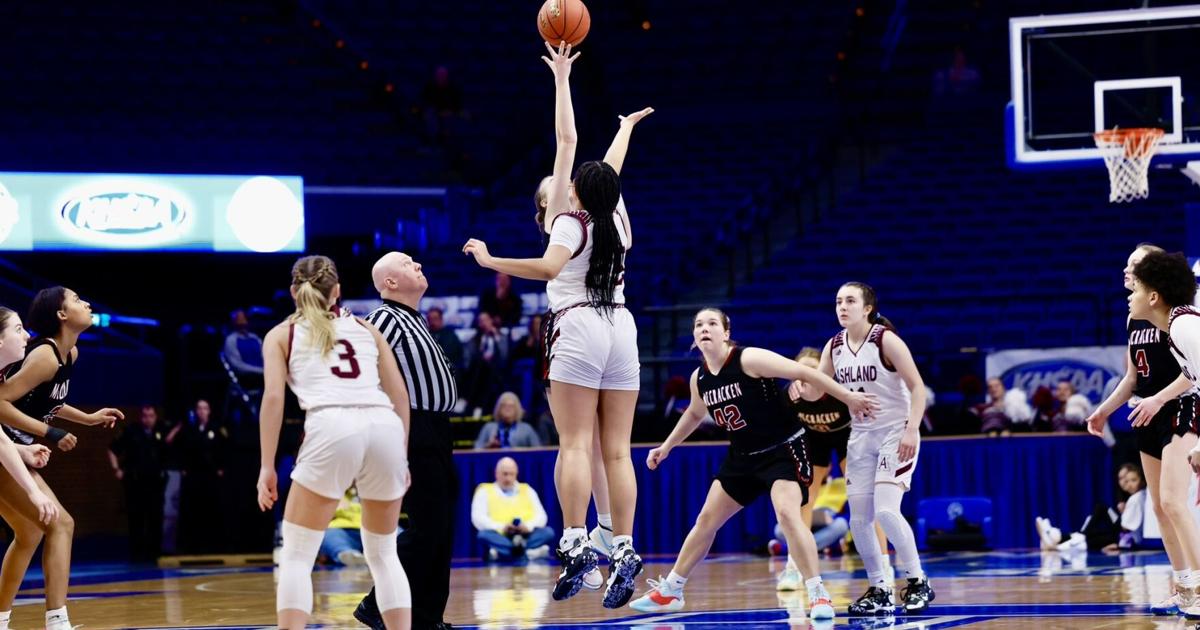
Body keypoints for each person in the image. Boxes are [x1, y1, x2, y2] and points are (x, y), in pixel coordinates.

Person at [463, 41, 653, 608]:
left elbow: (566, 142)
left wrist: (494, 261)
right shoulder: (612, 208)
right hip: (622, 325)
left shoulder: (566, 221)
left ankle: (573, 542)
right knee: (615, 450)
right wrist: (624, 128)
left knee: (573, 443)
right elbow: (606, 163)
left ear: (568, 192)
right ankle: (621, 544)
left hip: (576, 324)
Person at [628, 308, 877, 619]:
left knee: (787, 514)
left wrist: (848, 397)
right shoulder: (700, 378)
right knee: (706, 520)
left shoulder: (749, 359)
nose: (704, 328)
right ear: (694, 336)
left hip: (783, 448)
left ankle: (818, 594)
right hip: (743, 455)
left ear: (726, 331)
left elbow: (806, 373)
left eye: (712, 324)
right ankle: (672, 590)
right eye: (699, 325)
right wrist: (666, 447)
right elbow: (694, 413)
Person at [255, 255, 412, 630]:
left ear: (294, 292)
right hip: (383, 424)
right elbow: (400, 396)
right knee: (384, 553)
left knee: (295, 555)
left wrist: (266, 466)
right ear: (337, 291)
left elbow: (274, 400)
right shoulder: (365, 327)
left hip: (332, 424)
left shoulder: (281, 334)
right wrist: (402, 457)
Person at [802, 282, 935, 615]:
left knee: (887, 511)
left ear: (867, 308)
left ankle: (918, 580)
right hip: (861, 436)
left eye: (850, 301)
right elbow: (817, 392)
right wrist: (796, 386)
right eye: (838, 301)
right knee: (858, 521)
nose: (842, 307)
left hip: (896, 432)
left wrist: (911, 429)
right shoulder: (833, 345)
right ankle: (879, 588)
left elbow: (918, 387)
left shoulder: (885, 340)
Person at [0, 289, 122, 630]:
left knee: (29, 533)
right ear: (61, 315)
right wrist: (50, 433)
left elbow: (45, 402)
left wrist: (88, 418)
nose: (87, 303)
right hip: (5, 446)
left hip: (14, 447)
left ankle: (1, 619)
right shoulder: (46, 356)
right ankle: (57, 621)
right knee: (60, 524)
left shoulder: (70, 354)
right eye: (77, 299)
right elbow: (0, 403)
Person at [357, 251, 459, 630]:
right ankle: (376, 603)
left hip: (437, 429)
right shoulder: (384, 318)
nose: (417, 264)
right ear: (390, 283)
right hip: (411, 428)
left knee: (442, 528)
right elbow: (367, 374)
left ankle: (428, 617)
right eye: (406, 263)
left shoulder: (415, 320)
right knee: (427, 526)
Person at [1123, 248, 1200, 619]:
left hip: (1185, 416)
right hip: (1172, 413)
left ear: (1154, 296)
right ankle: (1190, 589)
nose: (1129, 294)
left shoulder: (1185, 325)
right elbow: (1192, 377)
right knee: (1166, 503)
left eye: (1135, 287)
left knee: (1172, 502)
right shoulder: (1173, 329)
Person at [780, 347, 888, 592]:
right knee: (803, 502)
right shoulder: (790, 396)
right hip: (813, 439)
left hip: (848, 437)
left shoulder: (839, 390)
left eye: (812, 369)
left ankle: (884, 567)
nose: (805, 375)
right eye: (800, 370)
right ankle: (793, 569)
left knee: (863, 500)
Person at [107, 404, 165, 562]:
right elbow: (112, 449)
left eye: (151, 416)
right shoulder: (132, 431)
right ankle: (137, 554)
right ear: (141, 417)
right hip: (135, 482)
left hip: (155, 483)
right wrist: (116, 469)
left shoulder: (160, 431)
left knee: (155, 517)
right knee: (136, 519)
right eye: (145, 416)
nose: (148, 419)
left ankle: (155, 553)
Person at [471, 457, 555, 562]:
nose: (508, 478)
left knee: (548, 532)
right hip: (501, 536)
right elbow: (478, 519)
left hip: (525, 535)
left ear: (516, 474)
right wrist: (502, 527)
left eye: (511, 474)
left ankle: (503, 552)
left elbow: (541, 516)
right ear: (496, 473)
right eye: (505, 474)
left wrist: (528, 527)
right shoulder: (484, 491)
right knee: (483, 535)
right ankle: (529, 553)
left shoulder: (527, 489)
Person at [474, 392, 542, 449]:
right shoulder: (488, 428)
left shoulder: (527, 429)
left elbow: (538, 451)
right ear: (498, 409)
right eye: (504, 406)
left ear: (517, 409)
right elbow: (475, 450)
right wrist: (488, 446)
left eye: (511, 406)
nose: (507, 409)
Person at [321, 488, 367, 567]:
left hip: (373, 530)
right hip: (341, 529)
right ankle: (348, 555)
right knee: (329, 536)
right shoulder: (333, 492)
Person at [224, 309, 264, 391]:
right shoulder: (231, 340)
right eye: (239, 319)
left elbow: (265, 356)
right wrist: (260, 371)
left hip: (262, 375)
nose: (242, 322)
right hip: (246, 378)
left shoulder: (255, 338)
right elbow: (238, 366)